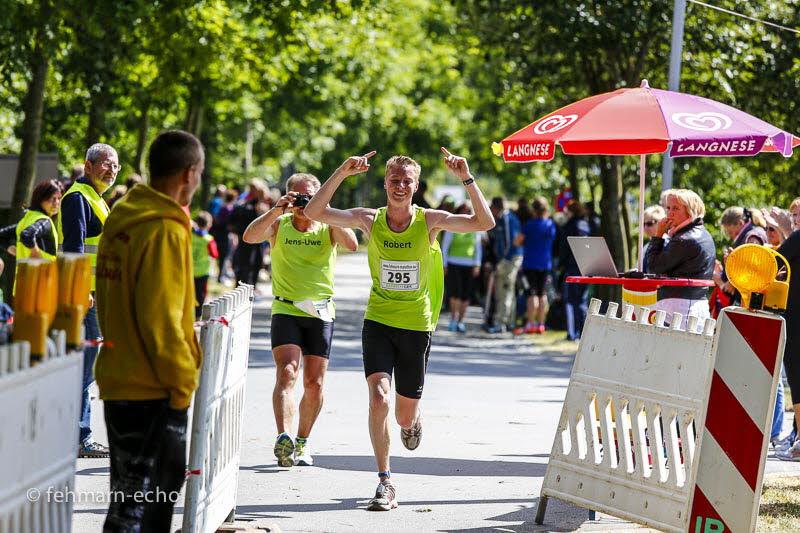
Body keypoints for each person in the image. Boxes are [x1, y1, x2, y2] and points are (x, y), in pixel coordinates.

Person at [304, 148, 494, 511]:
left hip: (416, 326)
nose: (400, 186)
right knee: (379, 398)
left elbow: (483, 223)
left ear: (416, 186)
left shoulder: (430, 221)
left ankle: (412, 422)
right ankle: (385, 481)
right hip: (378, 320)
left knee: (403, 415)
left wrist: (466, 179)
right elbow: (314, 212)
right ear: (385, 184)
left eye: (407, 181)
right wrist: (342, 171)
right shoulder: (369, 219)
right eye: (394, 180)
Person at [95, 130, 204, 531]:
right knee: (145, 512)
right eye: (199, 173)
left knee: (127, 507)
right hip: (153, 388)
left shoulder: (123, 216)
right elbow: (162, 321)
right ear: (189, 174)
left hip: (120, 377)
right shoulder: (164, 228)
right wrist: (184, 384)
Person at [243, 173, 358, 468]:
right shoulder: (279, 224)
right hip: (286, 309)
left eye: (310, 197)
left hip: (320, 312)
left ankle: (303, 441)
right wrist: (277, 209)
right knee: (287, 373)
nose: (304, 203)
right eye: (299, 196)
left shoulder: (327, 227)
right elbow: (249, 237)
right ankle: (284, 436)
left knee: (314, 383)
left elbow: (352, 244)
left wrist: (325, 209)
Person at [58, 142, 119, 458]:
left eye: (115, 165)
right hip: (86, 296)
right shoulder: (78, 198)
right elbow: (74, 247)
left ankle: (76, 433)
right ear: (88, 165)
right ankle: (79, 436)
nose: (112, 170)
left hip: (98, 294)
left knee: (88, 364)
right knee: (85, 365)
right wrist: (82, 290)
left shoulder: (97, 198)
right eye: (106, 163)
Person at [645, 189, 715, 321]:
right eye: (668, 208)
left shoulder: (685, 239)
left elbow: (653, 268)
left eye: (676, 208)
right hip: (692, 306)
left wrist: (658, 235)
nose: (670, 213)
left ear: (690, 211)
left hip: (680, 309)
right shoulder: (701, 233)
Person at [0, 180, 63, 292]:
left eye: (59, 198)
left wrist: (9, 248)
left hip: (21, 287)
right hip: (40, 287)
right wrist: (35, 252)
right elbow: (27, 235)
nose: (56, 203)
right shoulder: (44, 221)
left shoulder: (26, 220)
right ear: (40, 199)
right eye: (52, 198)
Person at [514, 196, 557, 335]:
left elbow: (517, 241)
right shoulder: (550, 224)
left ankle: (531, 324)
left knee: (531, 295)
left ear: (533, 209)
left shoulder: (529, 225)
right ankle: (541, 325)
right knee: (542, 294)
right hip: (545, 264)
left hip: (530, 263)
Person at [441, 202, 482, 333]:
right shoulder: (452, 226)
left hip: (469, 265)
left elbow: (478, 248)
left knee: (465, 295)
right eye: (463, 210)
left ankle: (461, 321)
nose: (466, 213)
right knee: (455, 293)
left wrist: (477, 264)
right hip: (453, 263)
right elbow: (445, 246)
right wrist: (444, 264)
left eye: (469, 211)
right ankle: (453, 319)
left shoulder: (475, 228)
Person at [486, 197, 523, 333]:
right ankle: (508, 321)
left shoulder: (507, 219)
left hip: (509, 259)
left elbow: (511, 241)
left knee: (504, 290)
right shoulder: (505, 218)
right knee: (508, 290)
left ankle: (501, 322)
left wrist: (503, 260)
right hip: (508, 259)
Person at [558, 200, 591, 340]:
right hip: (585, 267)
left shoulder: (569, 226)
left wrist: (561, 264)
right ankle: (583, 331)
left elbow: (564, 249)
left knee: (570, 301)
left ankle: (572, 333)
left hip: (572, 268)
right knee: (582, 301)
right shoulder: (585, 225)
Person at [231, 179, 269, 285]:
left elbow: (264, 219)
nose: (252, 191)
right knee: (243, 264)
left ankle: (252, 286)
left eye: (255, 189)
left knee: (256, 264)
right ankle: (241, 286)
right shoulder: (244, 202)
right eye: (251, 188)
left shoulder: (262, 204)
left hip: (258, 241)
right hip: (244, 238)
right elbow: (235, 217)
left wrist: (260, 202)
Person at [191, 211, 219, 318]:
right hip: (203, 271)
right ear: (209, 225)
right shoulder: (209, 239)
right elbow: (215, 254)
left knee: (190, 292)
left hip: (190, 270)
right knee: (200, 294)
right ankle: (198, 315)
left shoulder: (190, 236)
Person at [641, 205, 666, 273]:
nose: (645, 227)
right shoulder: (646, 246)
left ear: (660, 222)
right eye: (643, 224)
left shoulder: (667, 243)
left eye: (649, 224)